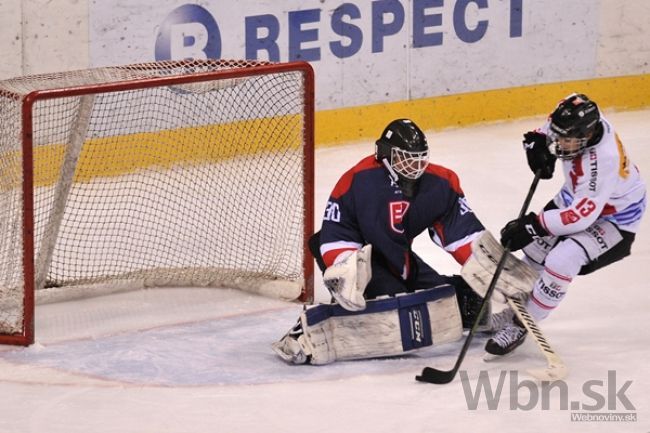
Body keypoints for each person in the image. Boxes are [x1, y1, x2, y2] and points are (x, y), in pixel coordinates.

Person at [273, 118, 496, 365]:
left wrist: (487, 265)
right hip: (348, 252)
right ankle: (307, 330)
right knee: (397, 308)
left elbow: (461, 230)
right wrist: (407, 287)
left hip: (393, 251)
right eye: (404, 158)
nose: (414, 165)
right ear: (385, 155)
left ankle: (460, 298)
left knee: (445, 299)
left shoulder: (440, 182)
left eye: (419, 157)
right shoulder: (366, 181)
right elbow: (378, 240)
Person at [486, 93, 646, 355]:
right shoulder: (576, 114)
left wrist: (532, 226)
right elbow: (550, 127)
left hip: (615, 217)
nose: (560, 143)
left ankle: (522, 324)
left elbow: (581, 217)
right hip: (576, 197)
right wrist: (537, 142)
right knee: (535, 254)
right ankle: (514, 311)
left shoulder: (602, 162)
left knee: (562, 259)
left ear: (588, 136)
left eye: (567, 140)